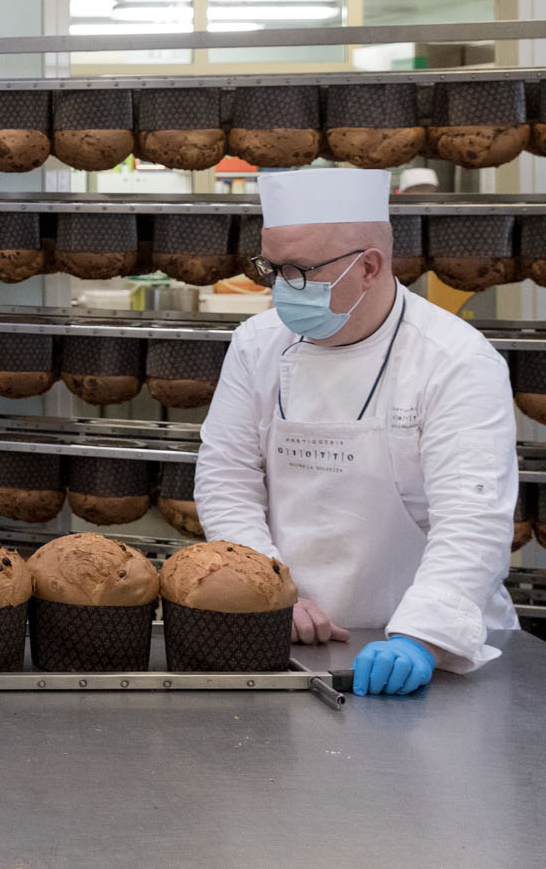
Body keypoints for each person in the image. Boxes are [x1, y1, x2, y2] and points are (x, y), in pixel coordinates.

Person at [195, 168, 518, 697]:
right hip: (287, 639)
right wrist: (266, 591)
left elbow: (472, 516)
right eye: (271, 268)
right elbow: (226, 476)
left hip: (426, 651)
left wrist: (421, 636)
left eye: (298, 271)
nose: (280, 289)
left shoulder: (456, 361)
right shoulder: (257, 344)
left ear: (369, 267)